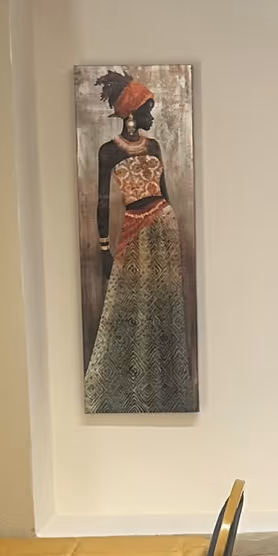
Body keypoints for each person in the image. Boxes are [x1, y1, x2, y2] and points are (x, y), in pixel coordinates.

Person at [83, 71, 196, 412]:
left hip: (164, 229)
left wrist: (174, 233)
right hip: (133, 230)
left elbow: (165, 195)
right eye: (147, 109)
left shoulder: (155, 146)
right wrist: (104, 247)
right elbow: (102, 203)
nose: (151, 116)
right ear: (131, 113)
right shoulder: (108, 152)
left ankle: (164, 388)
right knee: (129, 308)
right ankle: (129, 388)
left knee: (163, 306)